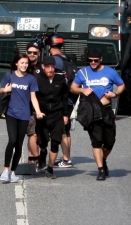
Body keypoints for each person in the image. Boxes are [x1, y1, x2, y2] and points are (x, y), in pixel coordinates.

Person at [72, 47, 125, 181]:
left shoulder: (110, 72)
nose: (93, 63)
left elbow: (121, 85)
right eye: (90, 61)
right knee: (96, 142)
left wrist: (115, 94)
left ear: (101, 59)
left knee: (109, 142)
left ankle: (103, 159)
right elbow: (73, 87)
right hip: (91, 111)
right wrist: (82, 90)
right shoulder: (82, 72)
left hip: (106, 110)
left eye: (95, 60)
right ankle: (100, 169)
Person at [0, 53, 44, 183]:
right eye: (22, 62)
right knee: (12, 140)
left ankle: (13, 171)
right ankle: (6, 169)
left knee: (19, 144)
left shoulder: (31, 79)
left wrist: (38, 111)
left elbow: (33, 97)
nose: (24, 65)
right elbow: (0, 89)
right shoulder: (9, 75)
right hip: (11, 113)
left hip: (25, 114)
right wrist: (5, 90)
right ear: (16, 64)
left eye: (26, 63)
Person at [34, 55, 70, 179]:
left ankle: (50, 169)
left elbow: (65, 98)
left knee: (55, 142)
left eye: (52, 67)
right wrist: (35, 112)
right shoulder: (38, 80)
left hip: (57, 114)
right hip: (42, 115)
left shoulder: (60, 80)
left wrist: (66, 114)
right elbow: (34, 98)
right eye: (48, 67)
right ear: (43, 67)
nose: (50, 69)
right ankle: (43, 153)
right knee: (42, 142)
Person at [48, 33, 76, 169]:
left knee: (62, 131)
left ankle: (66, 159)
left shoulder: (53, 61)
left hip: (60, 101)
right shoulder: (67, 58)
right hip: (70, 99)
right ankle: (67, 158)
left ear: (49, 46)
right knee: (67, 130)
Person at [25, 41, 43, 164]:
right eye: (29, 52)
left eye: (34, 52)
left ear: (39, 53)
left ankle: (31, 159)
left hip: (41, 105)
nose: (32, 54)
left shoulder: (42, 67)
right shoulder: (23, 66)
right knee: (33, 134)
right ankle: (36, 159)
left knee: (40, 135)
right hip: (26, 106)